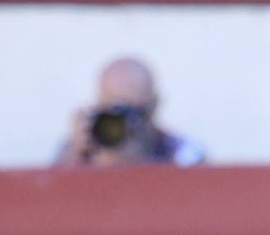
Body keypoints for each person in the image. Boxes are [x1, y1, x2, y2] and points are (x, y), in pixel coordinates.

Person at [52, 57, 205, 166]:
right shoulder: (81, 151)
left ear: (153, 105)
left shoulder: (182, 153)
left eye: (133, 112)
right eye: (112, 110)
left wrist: (140, 163)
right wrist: (76, 158)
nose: (122, 124)